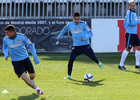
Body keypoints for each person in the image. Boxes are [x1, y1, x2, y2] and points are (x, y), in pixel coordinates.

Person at [56, 12, 103, 79]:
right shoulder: (70, 25)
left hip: (85, 45)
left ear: (80, 18)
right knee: (71, 59)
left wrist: (84, 38)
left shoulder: (83, 25)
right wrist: (59, 37)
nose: (77, 21)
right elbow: (64, 30)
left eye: (79, 19)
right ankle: (69, 75)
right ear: (73, 19)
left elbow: (90, 34)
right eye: (76, 19)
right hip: (76, 47)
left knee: (93, 57)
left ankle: (98, 62)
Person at [3, 25, 43, 95]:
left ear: (12, 32)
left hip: (25, 59)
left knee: (33, 75)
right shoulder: (5, 39)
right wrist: (6, 54)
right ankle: (38, 89)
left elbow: (31, 46)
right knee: (24, 77)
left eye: (7, 32)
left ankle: (30, 80)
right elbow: (4, 48)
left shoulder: (22, 37)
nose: (6, 34)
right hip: (16, 62)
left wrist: (35, 57)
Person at [118, 0, 140, 70]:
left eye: (134, 5)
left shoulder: (133, 13)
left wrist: (137, 21)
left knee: (138, 47)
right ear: (129, 6)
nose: (133, 7)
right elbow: (130, 22)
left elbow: (125, 23)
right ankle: (120, 65)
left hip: (134, 33)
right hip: (130, 34)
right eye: (131, 6)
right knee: (128, 49)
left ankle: (137, 64)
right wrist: (138, 22)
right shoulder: (130, 13)